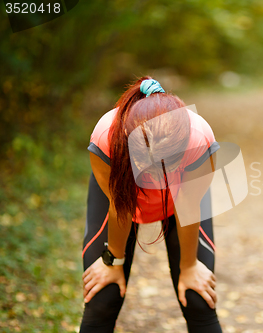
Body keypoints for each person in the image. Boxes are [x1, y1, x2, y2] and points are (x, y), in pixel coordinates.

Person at [79, 77, 222, 332]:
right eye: (152, 167)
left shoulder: (199, 139)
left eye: (170, 165)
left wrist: (189, 267)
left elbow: (187, 206)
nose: (159, 180)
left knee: (198, 299)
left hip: (183, 204)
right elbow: (119, 206)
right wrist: (114, 262)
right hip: (120, 201)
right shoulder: (106, 137)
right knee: (103, 297)